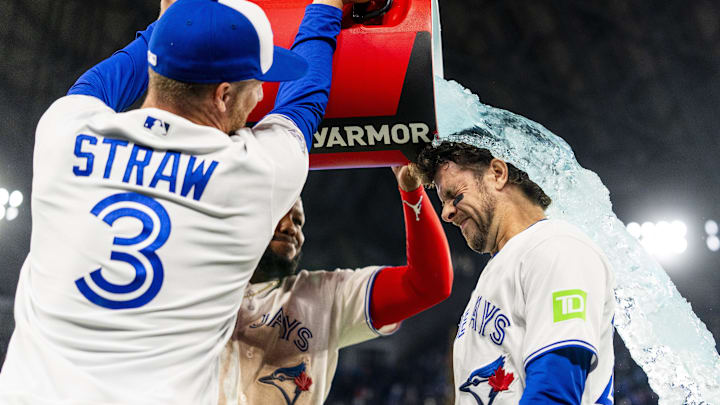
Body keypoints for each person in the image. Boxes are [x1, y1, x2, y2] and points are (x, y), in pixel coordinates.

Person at [0, 0, 362, 403]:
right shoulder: (250, 175)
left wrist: (172, 20)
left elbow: (114, 73)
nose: (261, 95)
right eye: (256, 83)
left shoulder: (62, 132)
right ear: (223, 95)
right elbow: (303, 102)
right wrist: (326, 7)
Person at [217, 165, 454, 405]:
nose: (290, 227)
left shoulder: (323, 295)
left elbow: (428, 284)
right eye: (279, 215)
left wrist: (411, 192)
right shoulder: (198, 283)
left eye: (298, 222)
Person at [412, 138, 615, 405]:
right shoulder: (501, 266)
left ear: (497, 174)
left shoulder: (557, 246)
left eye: (453, 194)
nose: (446, 213)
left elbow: (554, 391)